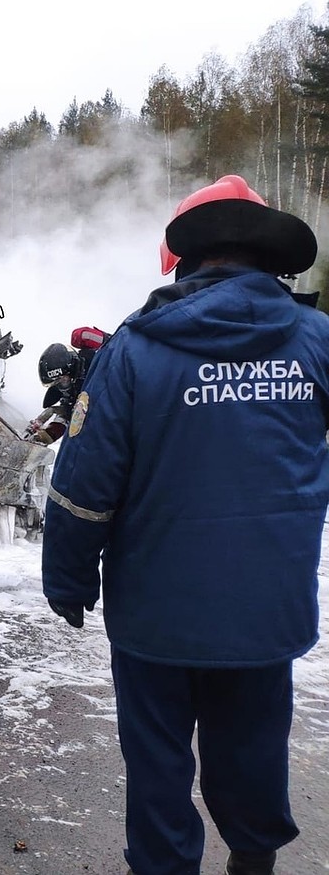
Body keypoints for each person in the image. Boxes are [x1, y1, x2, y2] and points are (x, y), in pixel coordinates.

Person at [41, 174, 327, 875]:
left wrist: (68, 578)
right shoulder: (318, 341)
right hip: (267, 609)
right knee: (253, 744)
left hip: (156, 620)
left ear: (184, 256)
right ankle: (253, 859)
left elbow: (84, 487)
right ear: (268, 253)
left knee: (160, 760)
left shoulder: (134, 349)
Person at [25, 327, 108, 444]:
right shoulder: (73, 385)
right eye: (57, 384)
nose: (63, 387)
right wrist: (46, 436)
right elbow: (69, 414)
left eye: (63, 381)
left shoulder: (96, 370)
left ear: (70, 371)